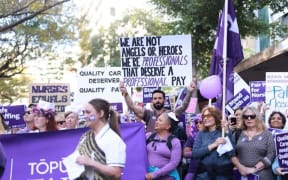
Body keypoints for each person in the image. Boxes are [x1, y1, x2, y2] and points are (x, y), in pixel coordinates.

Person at [75, 98, 126, 179]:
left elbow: (116, 173)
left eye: (88, 112)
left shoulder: (112, 139)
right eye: (84, 113)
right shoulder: (85, 136)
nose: (85, 116)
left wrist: (91, 162)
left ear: (100, 113)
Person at [119, 81, 196, 132]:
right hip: (151, 147)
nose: (157, 100)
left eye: (160, 98)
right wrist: (125, 93)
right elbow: (132, 107)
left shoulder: (170, 114)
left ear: (164, 100)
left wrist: (189, 92)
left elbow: (183, 107)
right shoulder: (147, 113)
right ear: (152, 101)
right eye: (155, 98)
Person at [231, 106, 275, 180]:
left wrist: (254, 169)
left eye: (252, 116)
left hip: (263, 176)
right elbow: (231, 153)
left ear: (257, 118)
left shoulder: (267, 134)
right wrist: (240, 167)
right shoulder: (237, 134)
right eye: (246, 116)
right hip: (241, 175)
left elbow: (271, 154)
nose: (249, 119)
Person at [192, 106, 234, 180]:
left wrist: (227, 132)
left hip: (223, 175)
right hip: (204, 175)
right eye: (204, 116)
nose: (205, 118)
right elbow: (195, 153)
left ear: (216, 117)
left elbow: (232, 153)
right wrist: (214, 145)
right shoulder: (201, 134)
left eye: (208, 116)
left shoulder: (224, 132)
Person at [145, 111, 182, 180]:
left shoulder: (175, 142)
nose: (156, 122)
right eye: (157, 119)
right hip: (148, 176)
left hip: (167, 177)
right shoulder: (148, 136)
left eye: (160, 120)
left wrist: (155, 174)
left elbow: (174, 163)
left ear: (168, 126)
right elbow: (135, 142)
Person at [267, 111, 288, 180]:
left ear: (283, 123)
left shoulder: (286, 135)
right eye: (273, 118)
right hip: (267, 172)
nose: (276, 120)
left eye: (279, 118)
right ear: (270, 122)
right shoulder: (264, 136)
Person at [183, 115, 204, 180]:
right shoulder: (192, 136)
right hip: (193, 168)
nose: (198, 124)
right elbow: (185, 153)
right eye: (196, 122)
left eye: (200, 122)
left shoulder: (212, 134)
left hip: (208, 169)